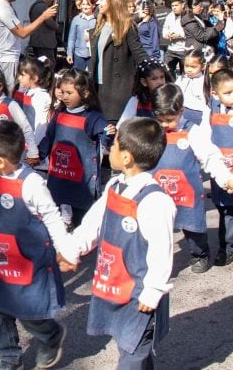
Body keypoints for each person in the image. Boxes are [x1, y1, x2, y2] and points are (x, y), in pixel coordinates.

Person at [0, 121, 76, 370]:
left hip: (27, 264)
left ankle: (50, 335)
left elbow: (52, 218)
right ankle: (9, 358)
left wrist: (65, 250)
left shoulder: (32, 184)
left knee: (28, 313)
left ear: (0, 161)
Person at [60, 118, 174, 370]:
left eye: (114, 145)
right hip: (114, 283)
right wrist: (73, 249)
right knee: (128, 343)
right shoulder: (115, 186)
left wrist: (154, 290)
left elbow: (161, 250)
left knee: (132, 351)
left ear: (126, 158)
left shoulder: (155, 202)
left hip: (139, 293)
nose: (110, 148)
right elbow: (93, 224)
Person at [151, 83, 233, 274]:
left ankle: (200, 254)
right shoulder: (153, 131)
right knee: (158, 229)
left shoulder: (193, 132)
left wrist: (225, 178)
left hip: (186, 192)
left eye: (169, 120)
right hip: (159, 191)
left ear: (180, 111)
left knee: (193, 228)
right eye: (159, 120)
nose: (164, 125)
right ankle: (158, 261)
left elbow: (211, 157)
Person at [39, 68, 114, 228]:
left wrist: (110, 135)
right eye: (62, 92)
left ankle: (84, 249)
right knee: (54, 219)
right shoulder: (59, 113)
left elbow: (107, 137)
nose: (64, 96)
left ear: (85, 93)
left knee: (83, 221)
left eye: (69, 93)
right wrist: (38, 154)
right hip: (59, 176)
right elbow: (49, 137)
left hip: (82, 181)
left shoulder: (93, 117)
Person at [0, 0, 59, 93]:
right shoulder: (2, 8)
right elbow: (23, 33)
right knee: (9, 94)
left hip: (7, 56)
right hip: (7, 59)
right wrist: (44, 16)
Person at [89, 0, 149, 123]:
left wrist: (154, 74)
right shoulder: (99, 25)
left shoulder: (127, 26)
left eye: (102, 0)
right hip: (98, 88)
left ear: (113, 2)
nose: (98, 3)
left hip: (117, 90)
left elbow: (139, 54)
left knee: (115, 130)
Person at [208, 68, 233, 266]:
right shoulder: (210, 112)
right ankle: (225, 246)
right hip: (221, 172)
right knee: (224, 210)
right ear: (215, 94)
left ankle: (228, 248)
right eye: (228, 93)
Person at [117, 58, 173, 127]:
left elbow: (180, 123)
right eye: (154, 79)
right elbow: (122, 125)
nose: (160, 82)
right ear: (144, 82)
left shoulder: (171, 99)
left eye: (162, 77)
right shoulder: (136, 101)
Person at [16, 57, 54, 151]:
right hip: (27, 141)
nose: (19, 77)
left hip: (35, 144)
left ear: (35, 78)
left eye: (22, 75)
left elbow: (41, 125)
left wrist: (36, 148)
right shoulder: (29, 92)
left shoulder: (41, 96)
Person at [177, 48, 209, 125]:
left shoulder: (204, 81)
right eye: (186, 66)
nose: (189, 70)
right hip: (181, 112)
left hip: (198, 115)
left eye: (193, 67)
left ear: (203, 66)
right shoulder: (182, 78)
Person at [28, 0, 59, 67]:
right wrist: (57, 26)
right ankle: (48, 78)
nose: (51, 4)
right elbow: (50, 23)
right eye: (51, 1)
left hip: (37, 40)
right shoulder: (43, 7)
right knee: (49, 64)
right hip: (44, 41)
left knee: (39, 63)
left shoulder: (34, 5)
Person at [66, 0, 96, 71]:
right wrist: (69, 53)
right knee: (78, 77)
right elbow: (71, 38)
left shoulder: (97, 19)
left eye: (88, 4)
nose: (85, 7)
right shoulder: (76, 19)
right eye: (83, 4)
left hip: (93, 54)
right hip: (79, 53)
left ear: (93, 6)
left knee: (91, 78)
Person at [162, 0, 188, 77]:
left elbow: (192, 32)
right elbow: (164, 30)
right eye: (172, 6)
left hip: (184, 49)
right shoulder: (170, 16)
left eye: (176, 5)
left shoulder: (188, 16)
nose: (174, 8)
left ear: (182, 5)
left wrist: (179, 35)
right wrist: (167, 35)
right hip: (171, 49)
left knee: (185, 74)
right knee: (166, 71)